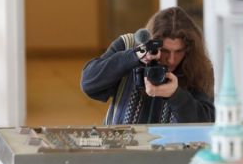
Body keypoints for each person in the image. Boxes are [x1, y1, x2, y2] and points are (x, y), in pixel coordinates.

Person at [81, 7, 215, 124]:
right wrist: (133, 56)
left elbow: (206, 122)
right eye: (165, 51)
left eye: (179, 51)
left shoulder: (198, 66)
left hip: (171, 145)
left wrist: (175, 95)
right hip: (122, 143)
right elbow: (89, 84)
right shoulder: (128, 45)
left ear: (189, 49)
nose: (171, 60)